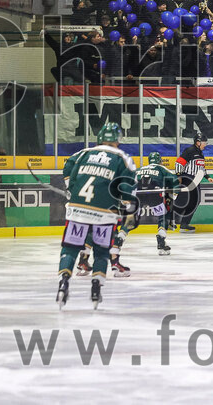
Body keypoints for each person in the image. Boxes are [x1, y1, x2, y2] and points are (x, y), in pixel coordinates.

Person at [57, 123, 137, 309]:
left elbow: (71, 171)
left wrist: (72, 190)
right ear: (118, 139)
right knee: (101, 252)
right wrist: (129, 207)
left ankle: (63, 284)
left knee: (70, 249)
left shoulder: (83, 154)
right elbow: (126, 188)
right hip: (104, 213)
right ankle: (96, 289)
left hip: (77, 210)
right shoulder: (123, 158)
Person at [109, 151, 182, 277]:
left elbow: (129, 182)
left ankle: (121, 236)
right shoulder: (161, 168)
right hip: (154, 194)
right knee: (163, 215)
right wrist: (174, 195)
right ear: (159, 160)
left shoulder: (140, 169)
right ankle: (161, 240)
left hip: (137, 195)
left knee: (130, 219)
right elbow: (175, 180)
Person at [173, 132, 213, 233]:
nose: (205, 144)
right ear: (198, 142)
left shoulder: (200, 153)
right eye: (204, 142)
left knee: (195, 201)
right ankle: (169, 218)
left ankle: (184, 224)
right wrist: (179, 176)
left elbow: (201, 168)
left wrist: (207, 177)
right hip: (188, 178)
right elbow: (178, 163)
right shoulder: (189, 151)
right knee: (182, 200)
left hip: (196, 180)